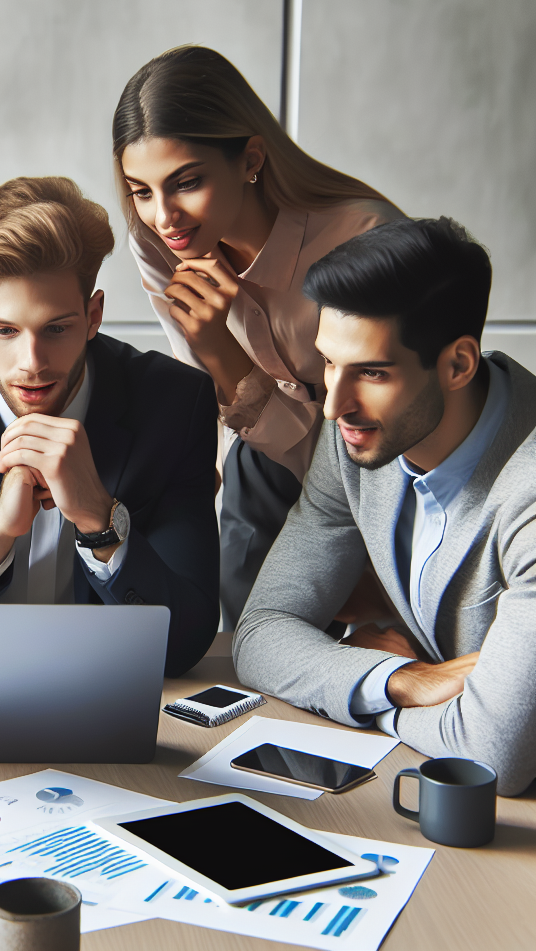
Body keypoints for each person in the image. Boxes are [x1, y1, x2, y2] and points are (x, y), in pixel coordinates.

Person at [0, 177, 220, 683]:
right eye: (6, 331)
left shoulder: (175, 405)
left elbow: (185, 641)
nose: (31, 363)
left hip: (107, 694)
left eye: (56, 328)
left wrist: (101, 520)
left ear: (93, 315)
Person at [234, 218, 536, 796]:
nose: (334, 406)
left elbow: (495, 755)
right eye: (329, 363)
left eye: (372, 372)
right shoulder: (358, 435)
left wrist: (367, 694)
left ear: (457, 365)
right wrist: (397, 679)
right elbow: (263, 633)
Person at [112, 45, 403, 628]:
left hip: (382, 471)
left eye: (186, 182)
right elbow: (200, 399)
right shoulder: (160, 243)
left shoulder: (366, 240)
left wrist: (219, 347)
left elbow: (381, 437)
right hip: (267, 459)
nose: (163, 215)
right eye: (141, 191)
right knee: (245, 632)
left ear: (250, 159)